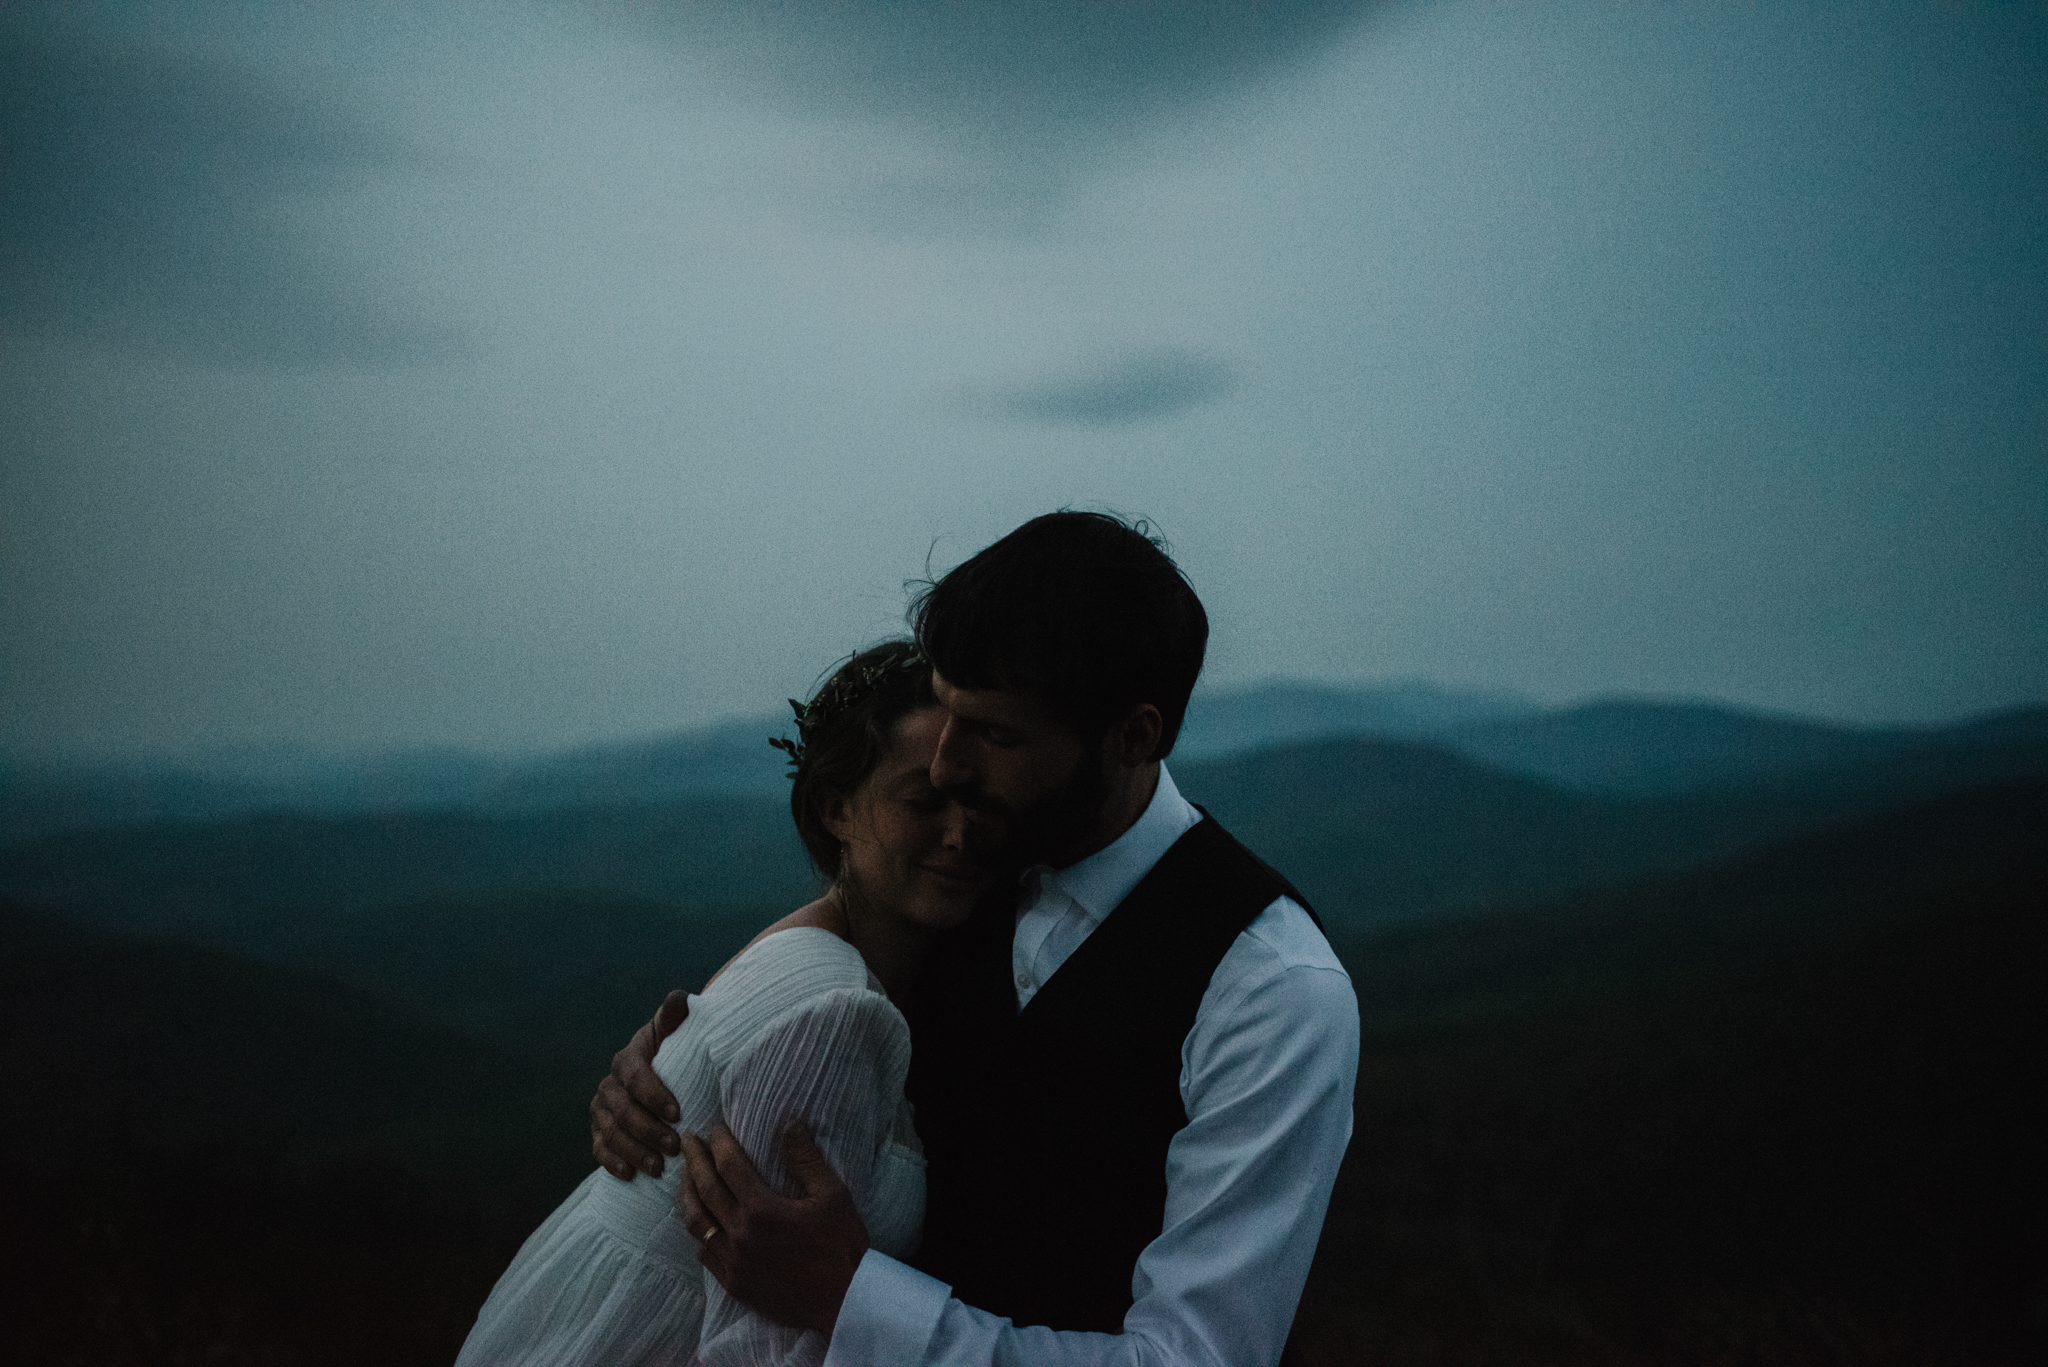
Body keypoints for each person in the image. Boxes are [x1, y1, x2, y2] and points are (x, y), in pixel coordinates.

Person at [592, 512, 1361, 1366]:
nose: (948, 766)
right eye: (949, 713)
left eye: (995, 734)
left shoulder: (1273, 990)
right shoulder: (967, 870)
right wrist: (679, 1064)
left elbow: (1193, 1357)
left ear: (1135, 736)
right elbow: (812, 960)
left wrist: (854, 1303)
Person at [458, 640, 1004, 1366]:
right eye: (922, 800)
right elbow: (765, 1345)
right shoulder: (830, 1009)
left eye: (980, 799)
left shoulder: (831, 956)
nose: (961, 832)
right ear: (836, 807)